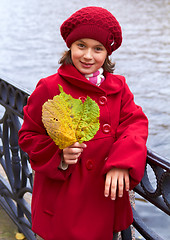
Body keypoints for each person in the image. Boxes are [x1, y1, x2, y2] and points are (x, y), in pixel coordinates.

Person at [18, 6, 148, 240]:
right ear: (70, 46)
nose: (88, 56)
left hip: (101, 198)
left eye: (98, 49)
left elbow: (135, 124)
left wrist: (122, 162)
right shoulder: (50, 87)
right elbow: (28, 136)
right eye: (81, 46)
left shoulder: (117, 87)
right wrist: (59, 155)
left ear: (107, 54)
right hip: (63, 204)